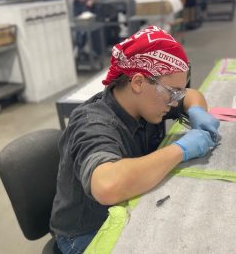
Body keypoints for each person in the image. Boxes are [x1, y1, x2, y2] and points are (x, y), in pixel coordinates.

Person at [50, 25, 220, 254]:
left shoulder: (150, 101)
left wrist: (198, 111)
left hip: (125, 206)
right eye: (172, 93)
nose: (174, 102)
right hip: (86, 231)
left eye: (177, 94)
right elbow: (107, 185)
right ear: (138, 82)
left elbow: (192, 96)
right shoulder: (93, 122)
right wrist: (181, 149)